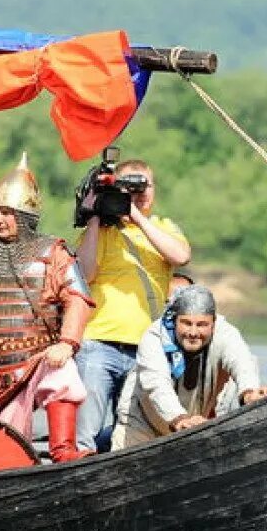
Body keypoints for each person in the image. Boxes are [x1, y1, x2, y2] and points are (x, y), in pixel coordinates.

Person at [0, 154, 95, 463]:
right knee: (4, 452)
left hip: (40, 354)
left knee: (63, 377)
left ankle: (63, 451)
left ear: (25, 215)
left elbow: (77, 296)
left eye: (7, 213)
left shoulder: (54, 253)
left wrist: (67, 343)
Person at [74, 159, 191, 453]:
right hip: (98, 342)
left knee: (133, 433)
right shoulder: (100, 232)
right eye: (129, 186)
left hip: (146, 347)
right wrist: (94, 217)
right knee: (84, 435)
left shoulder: (162, 227)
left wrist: (136, 216)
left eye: (144, 185)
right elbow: (84, 275)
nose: (138, 192)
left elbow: (180, 256)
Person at [113, 284, 267, 449]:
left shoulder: (225, 332)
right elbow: (156, 385)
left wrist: (249, 393)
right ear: (175, 321)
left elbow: (242, 361)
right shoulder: (154, 337)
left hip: (191, 425)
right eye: (186, 323)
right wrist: (179, 419)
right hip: (141, 423)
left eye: (202, 325)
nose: (193, 332)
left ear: (213, 323)